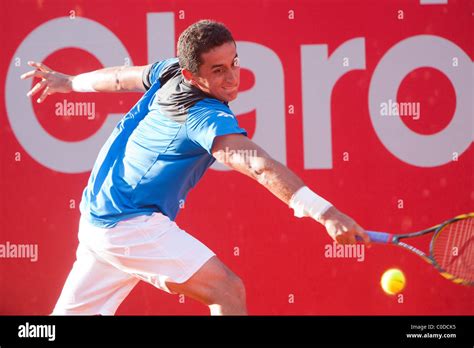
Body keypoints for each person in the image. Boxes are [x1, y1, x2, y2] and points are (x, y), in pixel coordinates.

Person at [21, 20, 369, 315]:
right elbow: (258, 166)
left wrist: (71, 83)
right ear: (192, 73)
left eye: (234, 63)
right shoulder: (203, 115)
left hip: (98, 215)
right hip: (127, 223)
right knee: (228, 291)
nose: (233, 78)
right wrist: (325, 212)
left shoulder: (169, 70)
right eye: (218, 70)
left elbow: (117, 78)